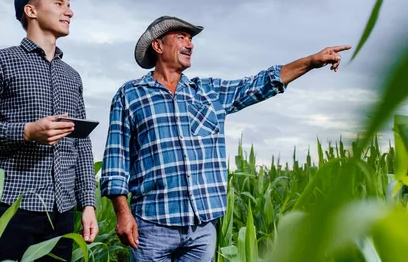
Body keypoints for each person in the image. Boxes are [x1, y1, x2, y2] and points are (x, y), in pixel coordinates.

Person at [100, 15, 350, 261]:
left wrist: (311, 61)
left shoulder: (208, 92)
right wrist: (122, 213)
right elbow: (115, 158)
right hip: (152, 226)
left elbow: (260, 84)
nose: (190, 44)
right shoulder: (130, 95)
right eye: (181, 37)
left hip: (202, 228)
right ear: (158, 46)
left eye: (191, 38)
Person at [0, 0, 98, 261]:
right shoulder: (0, 61)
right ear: (31, 11)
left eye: (69, 5)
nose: (69, 11)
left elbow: (82, 146)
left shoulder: (71, 76)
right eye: (59, 3)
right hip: (12, 206)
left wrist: (88, 204)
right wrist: (26, 132)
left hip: (61, 214)